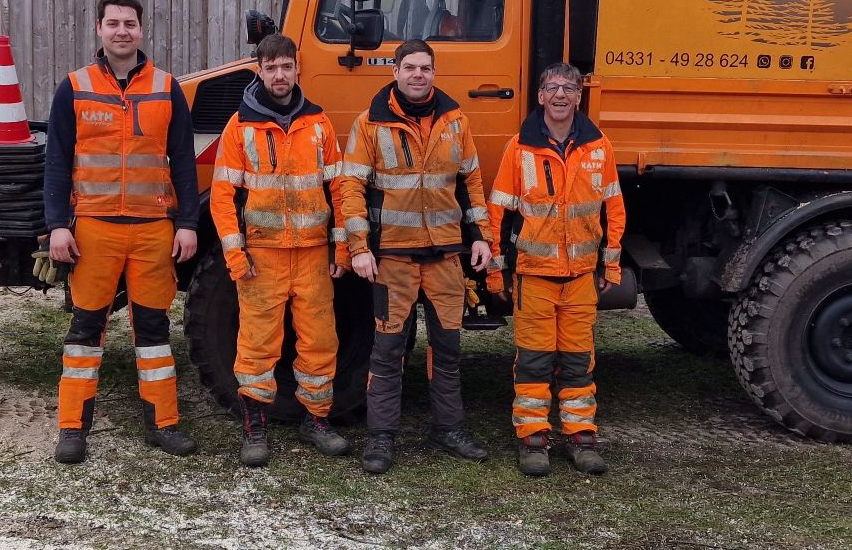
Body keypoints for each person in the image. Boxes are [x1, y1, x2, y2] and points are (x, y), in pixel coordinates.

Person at [40, 0, 200, 464]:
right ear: (99, 29)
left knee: (153, 331)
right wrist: (56, 227)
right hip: (93, 229)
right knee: (86, 329)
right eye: (113, 23)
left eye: (129, 23)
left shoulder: (167, 88)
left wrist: (187, 223)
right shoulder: (75, 86)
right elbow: (56, 162)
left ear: (141, 30)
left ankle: (163, 424)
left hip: (153, 229)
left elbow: (184, 165)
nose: (122, 31)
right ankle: (72, 428)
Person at [339, 39, 495, 474]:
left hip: (446, 257)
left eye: (425, 68)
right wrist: (359, 247)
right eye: (409, 67)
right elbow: (350, 188)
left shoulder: (455, 121)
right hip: (393, 260)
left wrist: (480, 236)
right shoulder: (369, 123)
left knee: (448, 349)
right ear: (394, 71)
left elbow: (470, 183)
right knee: (387, 351)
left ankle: (449, 428)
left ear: (434, 72)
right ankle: (380, 437)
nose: (417, 75)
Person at [209, 33, 360, 466]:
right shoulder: (240, 126)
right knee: (257, 344)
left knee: (320, 341)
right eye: (271, 67)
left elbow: (338, 188)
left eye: (286, 67)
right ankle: (254, 427)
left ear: (298, 69)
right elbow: (223, 196)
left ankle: (316, 421)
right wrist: (236, 257)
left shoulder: (319, 124)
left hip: (312, 256)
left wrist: (341, 250)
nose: (279, 75)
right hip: (262, 258)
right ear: (259, 70)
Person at [485, 62, 625, 476]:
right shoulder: (519, 147)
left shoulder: (600, 147)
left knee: (579, 360)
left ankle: (582, 438)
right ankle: (533, 439)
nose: (561, 95)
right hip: (534, 277)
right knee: (534, 361)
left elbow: (613, 210)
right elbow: (499, 214)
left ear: (579, 96)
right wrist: (498, 272)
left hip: (581, 276)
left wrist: (610, 269)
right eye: (552, 88)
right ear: (540, 96)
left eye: (569, 87)